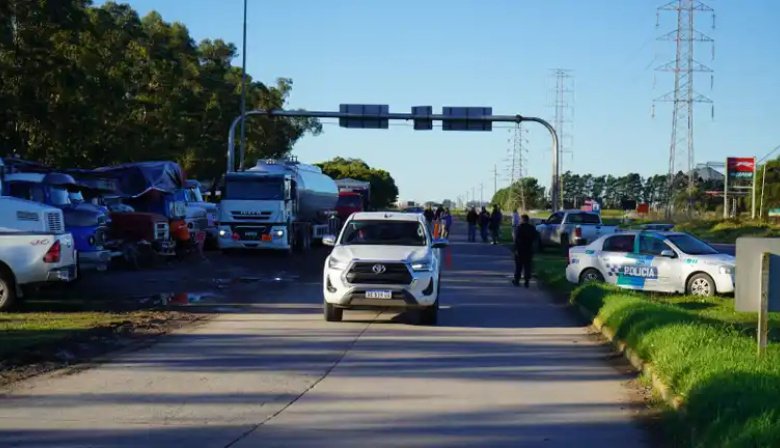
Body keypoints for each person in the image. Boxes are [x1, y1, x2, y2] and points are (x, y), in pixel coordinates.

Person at [513, 214, 539, 288]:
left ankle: (517, 280)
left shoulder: (519, 228)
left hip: (520, 249)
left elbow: (516, 240)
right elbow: (536, 237)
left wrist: (515, 249)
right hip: (529, 249)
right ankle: (526, 281)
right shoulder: (532, 228)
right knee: (527, 266)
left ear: (522, 220)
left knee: (519, 266)